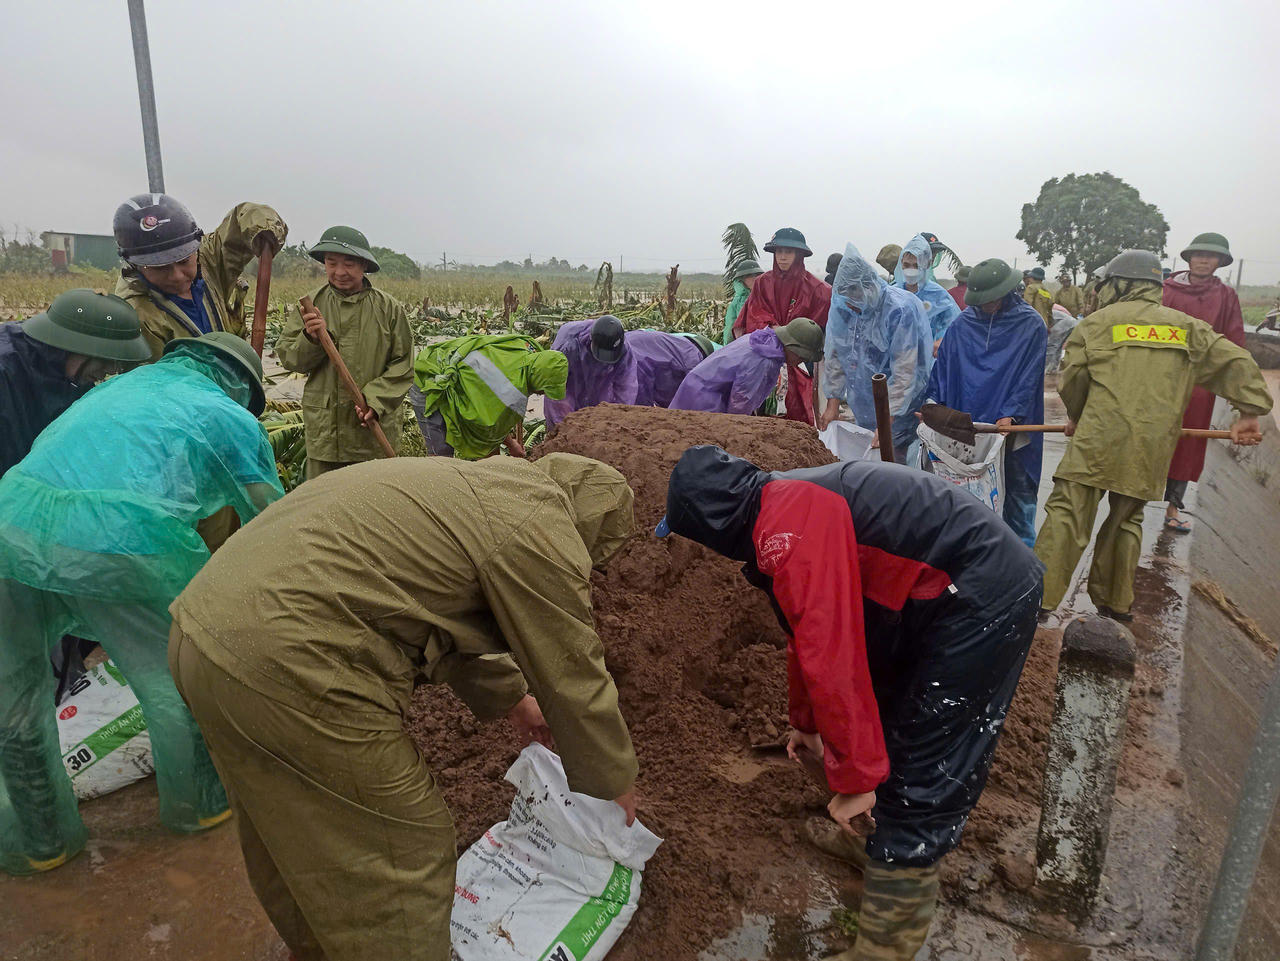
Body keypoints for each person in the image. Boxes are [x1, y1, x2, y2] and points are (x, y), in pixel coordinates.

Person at [168, 454, 640, 961]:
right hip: (286, 659)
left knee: (284, 823)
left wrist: (513, 701)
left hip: (200, 634)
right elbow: (573, 673)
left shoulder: (476, 489)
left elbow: (442, 616)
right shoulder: (540, 527)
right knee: (405, 849)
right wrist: (614, 783)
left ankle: (316, 949)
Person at [658, 445, 1043, 961]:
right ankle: (871, 844)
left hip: (982, 592)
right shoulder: (774, 511)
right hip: (929, 594)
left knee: (923, 762)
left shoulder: (789, 528)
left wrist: (858, 778)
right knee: (885, 722)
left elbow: (830, 646)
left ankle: (885, 948)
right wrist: (807, 723)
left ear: (710, 527)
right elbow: (803, 632)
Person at [0, 333, 284, 875]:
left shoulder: (121, 388)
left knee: (15, 698)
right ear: (242, 389)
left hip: (10, 526)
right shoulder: (228, 415)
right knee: (177, 676)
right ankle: (200, 806)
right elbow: (274, 521)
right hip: (117, 540)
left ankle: (41, 841)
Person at [1035, 250, 1272, 622]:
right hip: (1150, 445)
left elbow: (1073, 380)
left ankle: (1038, 601)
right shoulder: (1187, 328)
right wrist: (1250, 412)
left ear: (1120, 284)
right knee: (1127, 519)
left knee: (1068, 514)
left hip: (1097, 439)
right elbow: (1237, 361)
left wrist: (1078, 417)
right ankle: (1115, 605)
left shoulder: (1096, 324)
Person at [275, 226, 414, 480]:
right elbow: (289, 358)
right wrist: (310, 339)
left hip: (373, 435)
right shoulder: (310, 306)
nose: (340, 272)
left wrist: (375, 401)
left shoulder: (389, 309)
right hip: (327, 436)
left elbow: (403, 366)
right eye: (332, 263)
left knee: (375, 499)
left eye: (349, 264)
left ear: (364, 265)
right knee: (324, 500)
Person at [926, 259, 1047, 546]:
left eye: (991, 300)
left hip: (1012, 426)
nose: (986, 306)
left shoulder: (1030, 324)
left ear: (1006, 292)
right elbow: (944, 367)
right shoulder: (963, 324)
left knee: (1019, 499)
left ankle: (1020, 559)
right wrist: (933, 403)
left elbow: (1029, 376)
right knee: (968, 500)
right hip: (970, 427)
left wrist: (1011, 413)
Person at [113, 193, 288, 358]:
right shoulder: (136, 318)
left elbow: (241, 219)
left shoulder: (209, 259)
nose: (177, 276)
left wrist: (263, 227)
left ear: (196, 249)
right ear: (134, 266)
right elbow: (157, 378)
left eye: (183, 261)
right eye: (160, 268)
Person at [1, 289, 150, 476]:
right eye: (106, 360)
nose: (111, 371)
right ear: (76, 346)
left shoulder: (70, 373)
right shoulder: (7, 374)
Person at [1161, 233, 1246, 532]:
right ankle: (1131, 502)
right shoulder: (1164, 290)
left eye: (1211, 256)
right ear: (1189, 258)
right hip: (1159, 376)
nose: (1203, 260)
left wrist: (1240, 393)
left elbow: (1234, 342)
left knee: (1187, 443)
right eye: (1198, 254)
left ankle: (1173, 507)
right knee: (1149, 434)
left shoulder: (1226, 296)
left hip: (1198, 383)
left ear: (1220, 262)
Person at [819, 244, 933, 463]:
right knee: (866, 459)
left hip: (901, 408)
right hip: (863, 402)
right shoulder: (843, 307)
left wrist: (886, 422)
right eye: (846, 300)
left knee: (894, 460)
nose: (851, 307)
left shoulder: (899, 310)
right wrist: (833, 403)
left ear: (869, 287)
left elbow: (904, 372)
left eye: (854, 298)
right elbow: (836, 354)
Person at [407, 333, 568, 458]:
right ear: (538, 379)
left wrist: (511, 445)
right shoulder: (508, 390)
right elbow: (485, 433)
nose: (541, 394)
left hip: (455, 367)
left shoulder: (528, 347)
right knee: (441, 454)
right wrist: (500, 460)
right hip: (429, 378)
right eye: (543, 390)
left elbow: (494, 427)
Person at [734, 227, 832, 424]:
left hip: (802, 360)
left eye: (789, 251)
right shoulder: (762, 283)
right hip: (766, 355)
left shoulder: (818, 289)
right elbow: (754, 314)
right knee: (760, 414)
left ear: (799, 254)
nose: (783, 257)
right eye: (779, 251)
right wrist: (777, 333)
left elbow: (819, 329)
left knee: (803, 413)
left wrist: (795, 344)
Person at [543, 315, 705, 429]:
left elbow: (626, 388)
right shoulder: (569, 345)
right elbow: (557, 391)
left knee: (600, 405)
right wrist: (562, 426)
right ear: (591, 341)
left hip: (602, 375)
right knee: (564, 412)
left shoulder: (624, 351)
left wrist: (618, 419)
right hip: (569, 370)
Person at [669, 318, 825, 415]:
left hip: (696, 389)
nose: (800, 361)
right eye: (801, 356)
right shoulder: (764, 359)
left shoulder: (762, 340)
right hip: (705, 400)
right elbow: (741, 401)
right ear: (791, 347)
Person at [894, 234, 961, 349]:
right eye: (907, 265)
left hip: (929, 356)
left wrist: (942, 341)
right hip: (898, 356)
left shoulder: (938, 295)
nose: (911, 270)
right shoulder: (894, 293)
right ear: (901, 264)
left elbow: (956, 326)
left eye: (916, 265)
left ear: (927, 264)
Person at [723, 259, 764, 345]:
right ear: (741, 279)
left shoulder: (766, 296)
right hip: (744, 343)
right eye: (749, 276)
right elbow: (730, 328)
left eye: (756, 275)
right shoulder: (738, 302)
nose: (754, 278)